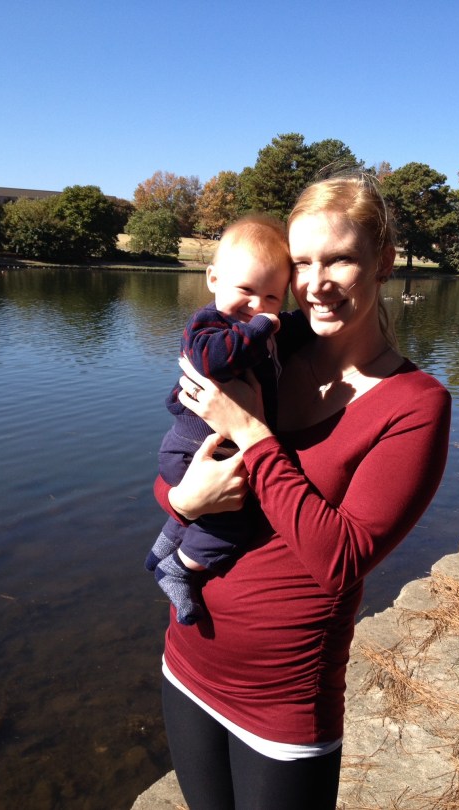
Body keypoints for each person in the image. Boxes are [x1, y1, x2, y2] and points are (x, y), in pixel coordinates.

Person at [152, 174, 452, 810]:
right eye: (303, 263)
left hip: (283, 699)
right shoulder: (266, 342)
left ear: (384, 262)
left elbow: (341, 559)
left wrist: (252, 435)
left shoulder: (415, 404)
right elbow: (178, 462)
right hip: (189, 658)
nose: (317, 283)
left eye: (339, 259)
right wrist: (182, 504)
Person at [145, 214, 311, 625]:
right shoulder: (208, 324)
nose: (256, 306)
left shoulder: (259, 329)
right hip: (193, 449)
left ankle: (162, 548)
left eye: (272, 297)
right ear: (213, 279)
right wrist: (262, 326)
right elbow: (212, 360)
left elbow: (292, 328)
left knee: (209, 508)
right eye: (246, 290)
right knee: (235, 521)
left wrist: (303, 322)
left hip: (211, 450)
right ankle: (179, 568)